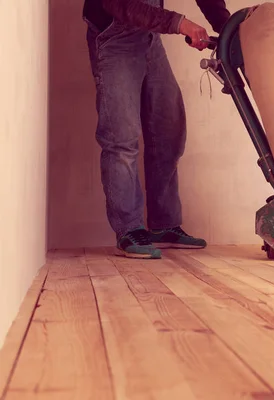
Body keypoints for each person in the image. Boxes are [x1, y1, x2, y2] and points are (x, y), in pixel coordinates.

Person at [82, 0, 230, 259]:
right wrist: (180, 24)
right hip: (113, 38)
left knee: (168, 131)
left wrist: (227, 29)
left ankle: (163, 225)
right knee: (121, 138)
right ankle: (129, 229)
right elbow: (118, 4)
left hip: (149, 36)